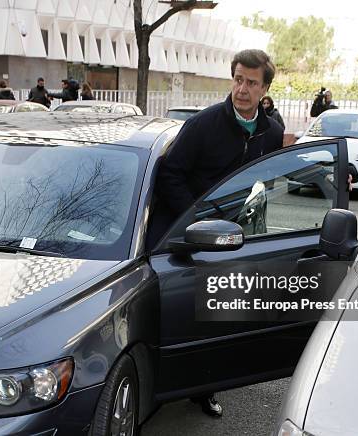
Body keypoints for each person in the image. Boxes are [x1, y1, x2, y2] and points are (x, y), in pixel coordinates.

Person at [148, 49, 284, 418]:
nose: (242, 88)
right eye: (238, 79)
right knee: (178, 311)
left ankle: (204, 388)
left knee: (219, 314)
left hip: (232, 236)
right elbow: (169, 175)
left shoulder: (272, 133)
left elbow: (271, 176)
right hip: (185, 233)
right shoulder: (203, 125)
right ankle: (159, 385)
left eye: (251, 82)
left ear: (264, 88)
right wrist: (195, 216)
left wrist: (337, 172)